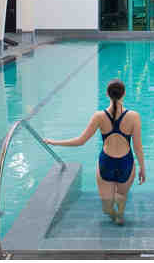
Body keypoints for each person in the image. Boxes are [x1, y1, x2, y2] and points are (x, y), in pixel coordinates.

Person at [43, 79, 145, 225]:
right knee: (121, 195)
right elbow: (138, 147)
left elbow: (80, 141)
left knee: (108, 207)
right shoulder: (134, 116)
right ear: (124, 94)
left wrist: (55, 142)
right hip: (126, 162)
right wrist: (142, 168)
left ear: (107, 94)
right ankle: (119, 215)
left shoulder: (99, 116)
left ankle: (117, 215)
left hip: (106, 162)